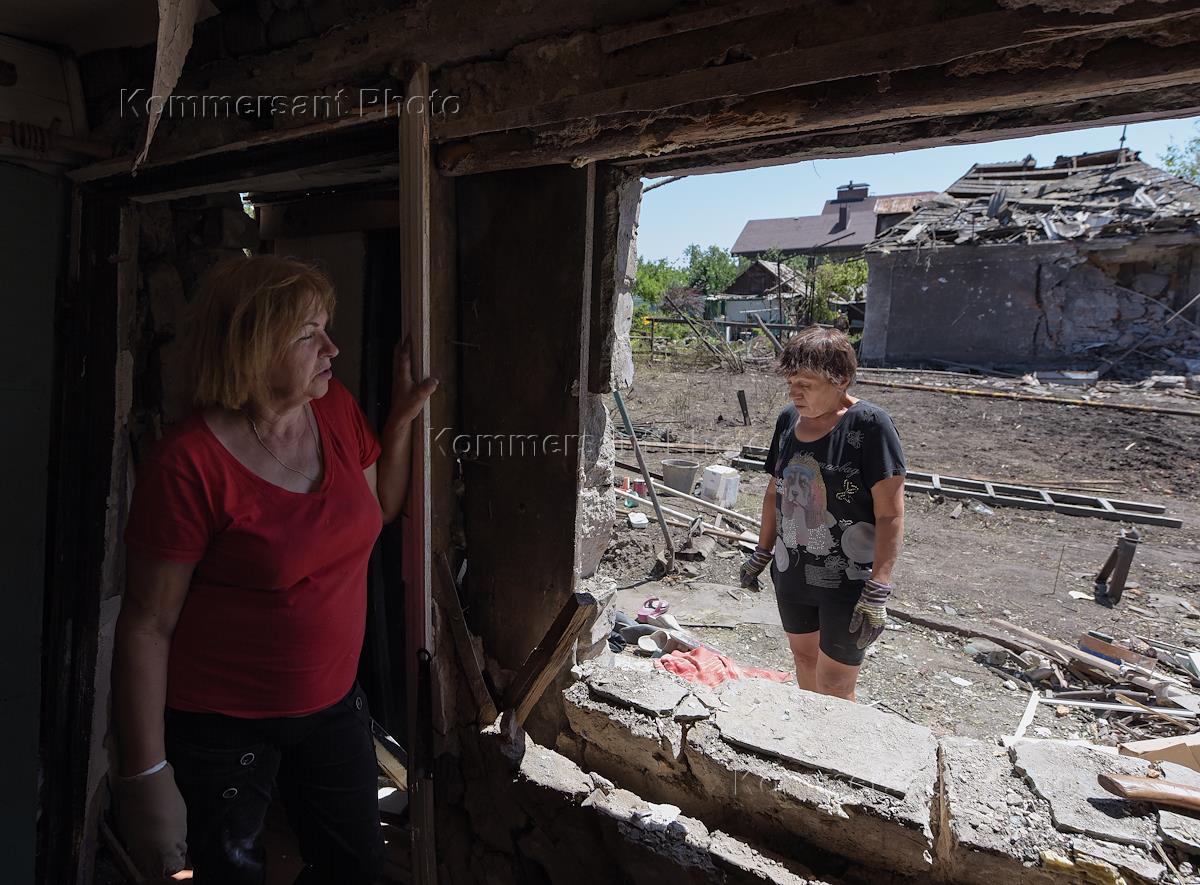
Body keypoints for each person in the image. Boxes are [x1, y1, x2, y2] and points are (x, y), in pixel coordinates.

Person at [109, 255, 437, 884]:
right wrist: (143, 775)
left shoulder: (335, 409)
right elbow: (147, 625)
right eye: (309, 334)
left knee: (357, 869)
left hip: (333, 703)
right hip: (220, 728)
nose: (333, 347)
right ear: (250, 347)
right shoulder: (188, 464)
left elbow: (380, 508)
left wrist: (396, 423)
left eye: (327, 327)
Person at [740, 326, 905, 701]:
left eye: (807, 384)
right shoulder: (787, 421)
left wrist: (879, 585)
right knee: (804, 659)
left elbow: (890, 515)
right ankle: (808, 744)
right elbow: (774, 492)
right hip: (792, 571)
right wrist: (762, 551)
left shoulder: (870, 426)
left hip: (848, 581)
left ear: (841, 379)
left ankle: (836, 753)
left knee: (835, 682)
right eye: (791, 382)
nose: (794, 392)